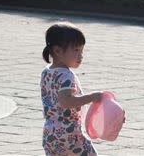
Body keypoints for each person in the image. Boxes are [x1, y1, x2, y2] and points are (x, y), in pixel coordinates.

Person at [40, 22, 105, 156]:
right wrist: (92, 97)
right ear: (57, 50)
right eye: (76, 50)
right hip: (68, 134)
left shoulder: (46, 72)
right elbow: (66, 101)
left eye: (82, 50)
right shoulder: (66, 75)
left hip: (49, 133)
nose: (81, 55)